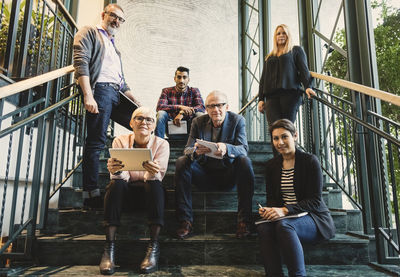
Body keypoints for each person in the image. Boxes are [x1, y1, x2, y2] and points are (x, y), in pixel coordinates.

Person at [73, 3, 141, 209]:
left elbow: (121, 81)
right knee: (96, 141)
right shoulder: (90, 32)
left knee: (142, 124)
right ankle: (91, 194)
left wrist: (135, 100)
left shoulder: (113, 46)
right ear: (103, 14)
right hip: (100, 91)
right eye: (113, 16)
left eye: (120, 19)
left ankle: (139, 178)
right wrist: (88, 95)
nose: (116, 21)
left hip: (116, 94)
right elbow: (81, 62)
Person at [257, 119, 335, 277]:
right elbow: (272, 198)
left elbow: (315, 200)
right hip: (286, 216)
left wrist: (285, 210)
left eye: (284, 137)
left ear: (295, 136)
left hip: (313, 217)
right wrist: (270, 211)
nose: (280, 142)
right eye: (275, 138)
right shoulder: (272, 165)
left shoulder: (310, 161)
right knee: (264, 227)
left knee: (284, 226)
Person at [174, 90, 255, 239]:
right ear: (206, 109)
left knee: (245, 161)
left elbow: (243, 149)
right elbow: (187, 149)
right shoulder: (198, 122)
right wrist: (196, 152)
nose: (215, 110)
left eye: (219, 105)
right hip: (204, 175)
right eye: (211, 106)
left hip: (228, 175)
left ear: (227, 107)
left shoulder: (238, 121)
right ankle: (185, 221)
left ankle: (245, 221)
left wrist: (226, 147)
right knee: (181, 161)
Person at [99, 107, 169, 275]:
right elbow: (121, 177)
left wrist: (151, 172)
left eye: (149, 119)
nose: (143, 122)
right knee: (115, 185)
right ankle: (109, 248)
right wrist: (115, 171)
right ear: (131, 123)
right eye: (138, 118)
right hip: (126, 195)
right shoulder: (120, 141)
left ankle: (153, 246)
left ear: (153, 126)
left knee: (155, 185)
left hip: (150, 195)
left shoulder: (162, 144)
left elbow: (157, 177)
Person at [257, 24, 316, 149]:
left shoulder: (295, 51)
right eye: (278, 33)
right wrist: (261, 99)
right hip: (272, 98)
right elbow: (263, 79)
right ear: (275, 36)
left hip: (290, 95)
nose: (281, 36)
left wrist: (308, 87)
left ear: (288, 35)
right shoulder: (270, 56)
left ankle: (291, 160)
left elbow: (304, 70)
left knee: (286, 129)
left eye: (284, 33)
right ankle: (278, 162)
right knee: (274, 130)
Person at [155, 66, 205, 138]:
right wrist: (180, 107)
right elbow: (160, 107)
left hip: (190, 129)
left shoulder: (194, 91)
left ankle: (200, 144)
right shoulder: (166, 91)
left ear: (188, 80)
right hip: (171, 127)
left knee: (200, 115)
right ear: (175, 79)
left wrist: (182, 113)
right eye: (179, 77)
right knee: (161, 113)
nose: (181, 80)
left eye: (184, 77)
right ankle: (158, 144)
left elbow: (201, 107)